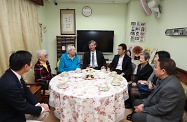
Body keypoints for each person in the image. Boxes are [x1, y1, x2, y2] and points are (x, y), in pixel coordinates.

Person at [0, 50, 50, 122]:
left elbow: (26, 91)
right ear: (26, 66)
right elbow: (23, 107)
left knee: (45, 113)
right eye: (31, 62)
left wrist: (38, 104)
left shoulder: (13, 74)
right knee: (44, 111)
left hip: (18, 110)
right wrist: (42, 108)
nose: (32, 64)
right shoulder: (10, 85)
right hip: (12, 117)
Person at [132, 58, 185, 122]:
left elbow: (161, 109)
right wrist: (143, 105)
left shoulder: (171, 88)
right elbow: (152, 95)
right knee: (136, 102)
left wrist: (143, 110)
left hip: (167, 117)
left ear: (163, 71)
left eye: (156, 67)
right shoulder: (162, 79)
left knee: (136, 117)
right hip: (158, 104)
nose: (154, 69)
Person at [126, 51, 171, 120]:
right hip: (151, 91)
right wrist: (149, 83)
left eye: (156, 57)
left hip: (151, 93)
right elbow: (149, 80)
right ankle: (134, 109)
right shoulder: (156, 69)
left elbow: (160, 103)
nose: (154, 59)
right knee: (132, 90)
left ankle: (135, 111)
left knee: (133, 91)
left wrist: (151, 85)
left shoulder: (169, 83)